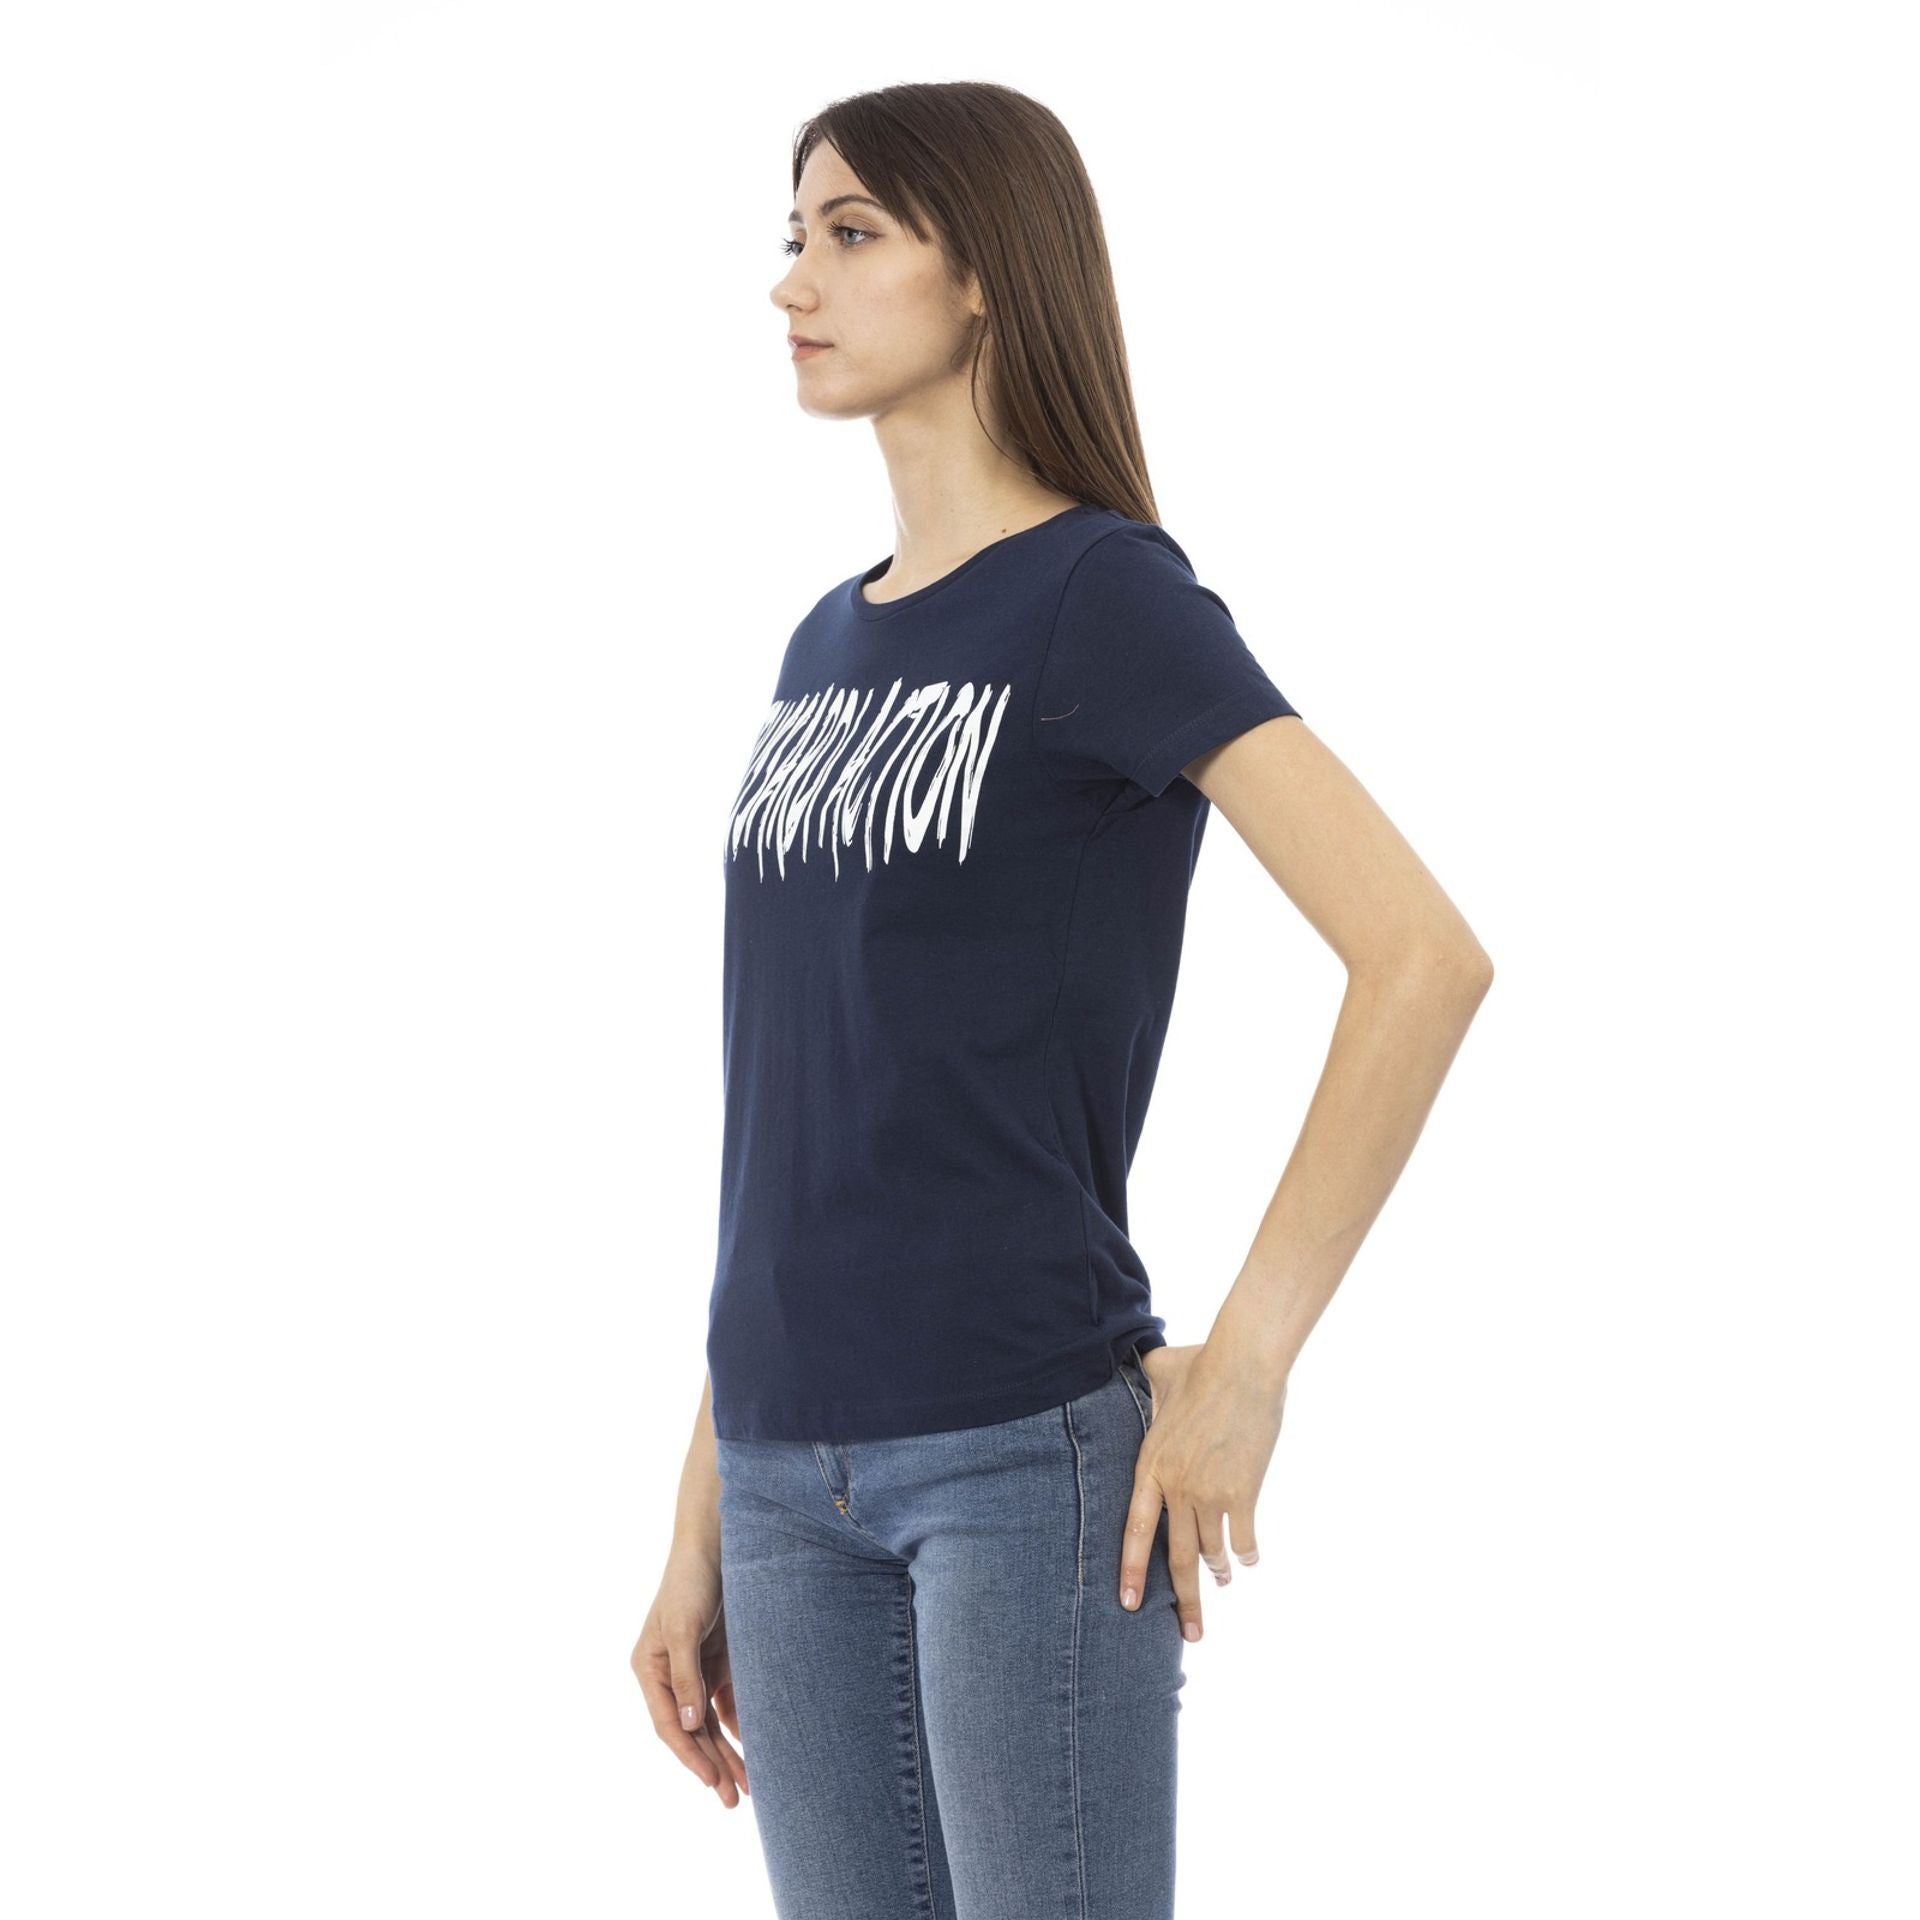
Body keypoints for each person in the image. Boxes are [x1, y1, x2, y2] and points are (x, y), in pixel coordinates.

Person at [633, 80, 1494, 1917]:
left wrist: (1246, 1364)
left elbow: (1421, 955)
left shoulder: (1103, 596)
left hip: (1020, 1460)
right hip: (782, 1473)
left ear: (987, 277)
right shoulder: (824, 642)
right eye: (792, 236)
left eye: (852, 234)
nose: (794, 281)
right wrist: (701, 1506)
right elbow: (801, 1104)